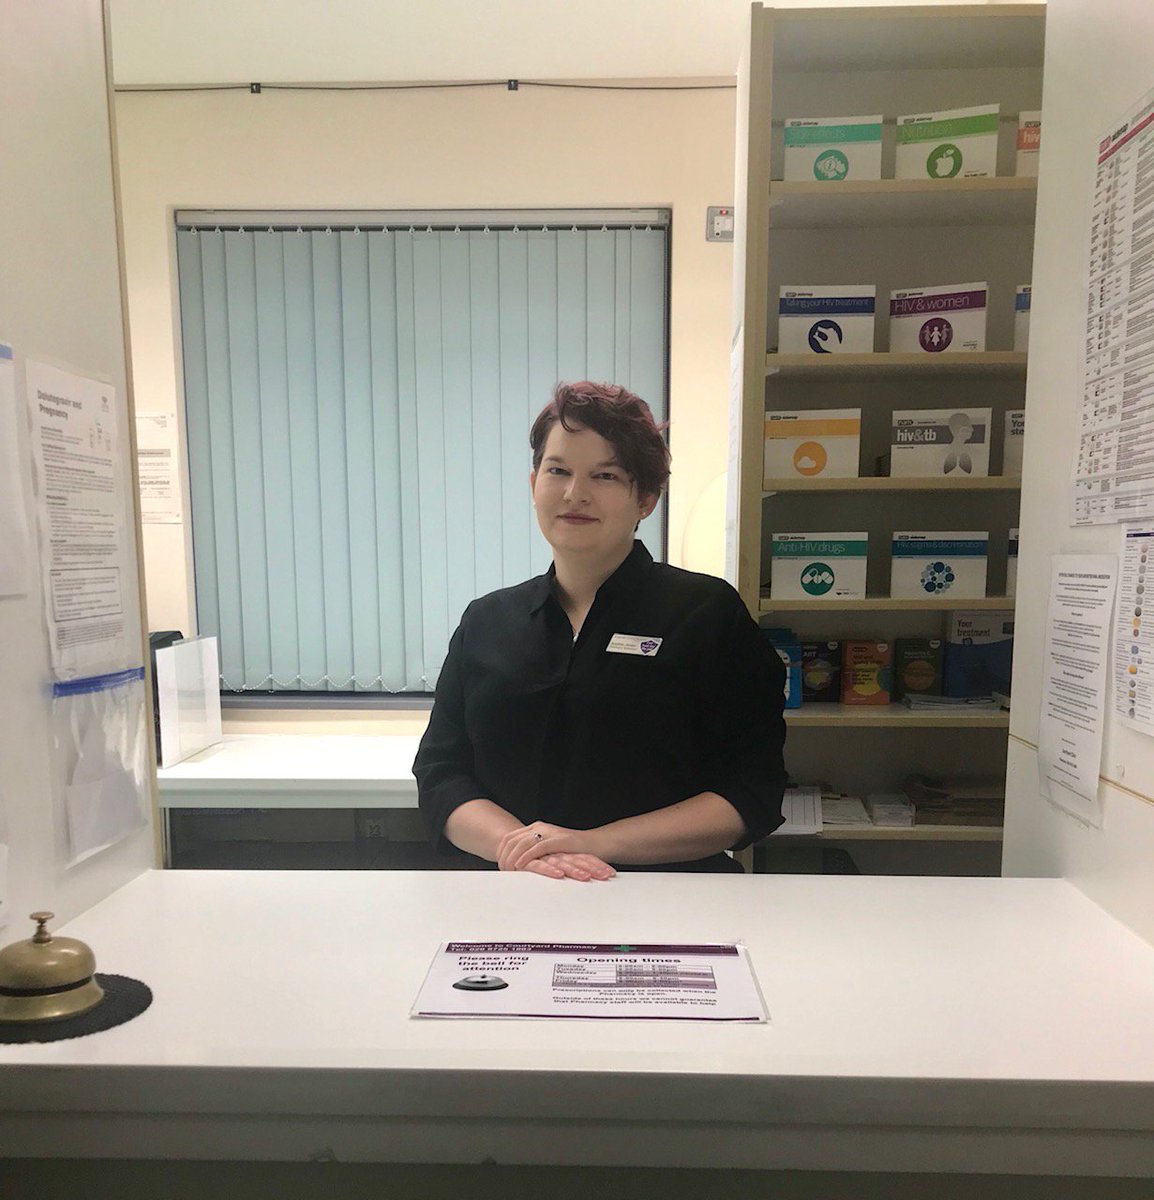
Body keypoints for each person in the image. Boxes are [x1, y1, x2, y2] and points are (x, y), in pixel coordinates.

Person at [413, 381, 786, 878]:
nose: (575, 494)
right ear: (533, 484)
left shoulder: (706, 614)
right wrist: (523, 849)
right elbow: (441, 772)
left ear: (647, 498)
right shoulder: (486, 621)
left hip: (666, 900)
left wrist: (591, 845)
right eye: (558, 471)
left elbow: (751, 792)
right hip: (509, 895)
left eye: (605, 475)